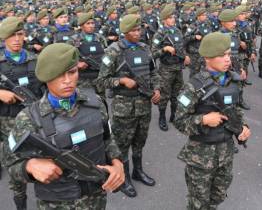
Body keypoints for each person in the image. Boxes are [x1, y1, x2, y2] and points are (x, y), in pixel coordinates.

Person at [4, 43, 124, 210]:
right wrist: (29, 166)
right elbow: (9, 162)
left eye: (72, 72)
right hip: (56, 203)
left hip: (95, 198)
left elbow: (108, 139)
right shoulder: (28, 117)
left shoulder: (96, 102)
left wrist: (118, 164)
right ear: (46, 77)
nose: (67, 81)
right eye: (59, 75)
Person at [174, 32, 251, 210]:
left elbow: (236, 109)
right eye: (222, 55)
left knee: (218, 196)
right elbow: (179, 121)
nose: (227, 59)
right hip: (201, 157)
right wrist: (203, 119)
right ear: (208, 57)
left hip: (225, 153)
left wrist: (243, 126)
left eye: (229, 54)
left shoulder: (232, 80)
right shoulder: (193, 86)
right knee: (198, 203)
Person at [98, 14, 160, 197]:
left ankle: (137, 171)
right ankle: (124, 178)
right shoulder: (113, 51)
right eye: (133, 30)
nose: (138, 32)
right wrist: (122, 80)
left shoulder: (145, 48)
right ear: (124, 32)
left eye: (139, 29)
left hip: (144, 106)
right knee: (122, 145)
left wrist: (157, 89)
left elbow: (153, 73)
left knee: (140, 142)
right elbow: (102, 81)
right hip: (124, 108)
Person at [0, 17, 45, 210]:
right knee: (16, 165)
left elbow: (47, 88)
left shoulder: (35, 59)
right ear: (3, 38)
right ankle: (21, 205)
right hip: (9, 123)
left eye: (20, 34)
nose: (17, 39)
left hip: (36, 120)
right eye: (12, 35)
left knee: (43, 161)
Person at [152, 4, 190, 131]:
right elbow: (152, 53)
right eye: (170, 17)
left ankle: (173, 115)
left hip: (178, 68)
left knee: (177, 94)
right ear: (164, 20)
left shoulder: (178, 31)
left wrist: (185, 56)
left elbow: (181, 47)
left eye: (173, 16)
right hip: (166, 69)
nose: (173, 19)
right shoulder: (159, 34)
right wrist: (164, 48)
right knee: (164, 95)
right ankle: (162, 117)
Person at [67, 12, 107, 97]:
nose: (91, 25)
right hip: (82, 78)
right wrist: (77, 64)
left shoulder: (100, 38)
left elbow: (106, 54)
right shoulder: (73, 40)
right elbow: (66, 59)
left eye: (92, 23)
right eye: (88, 23)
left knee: (101, 101)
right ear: (81, 25)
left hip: (99, 76)